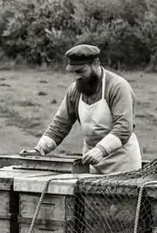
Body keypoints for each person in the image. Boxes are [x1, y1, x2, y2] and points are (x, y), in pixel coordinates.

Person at [29, 43, 142, 175]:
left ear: (95, 63)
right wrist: (40, 149)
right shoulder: (75, 91)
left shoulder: (117, 87)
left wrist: (101, 150)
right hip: (91, 164)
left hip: (122, 164)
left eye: (81, 71)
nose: (77, 77)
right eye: (74, 72)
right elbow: (60, 124)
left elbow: (123, 128)